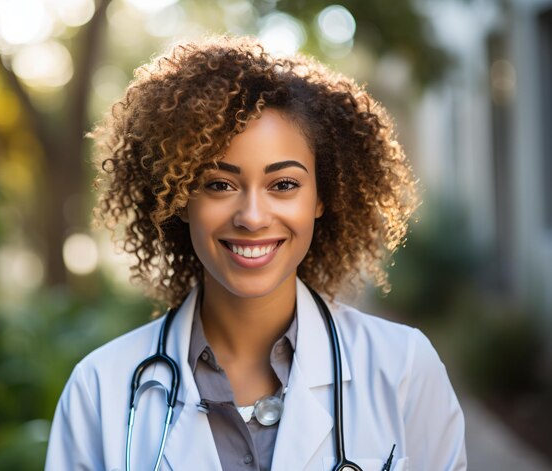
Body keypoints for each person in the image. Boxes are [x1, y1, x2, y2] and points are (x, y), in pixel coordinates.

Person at [45, 35, 466, 471]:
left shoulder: (402, 370)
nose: (251, 216)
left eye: (283, 185)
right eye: (218, 184)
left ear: (322, 198)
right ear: (180, 200)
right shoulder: (99, 390)